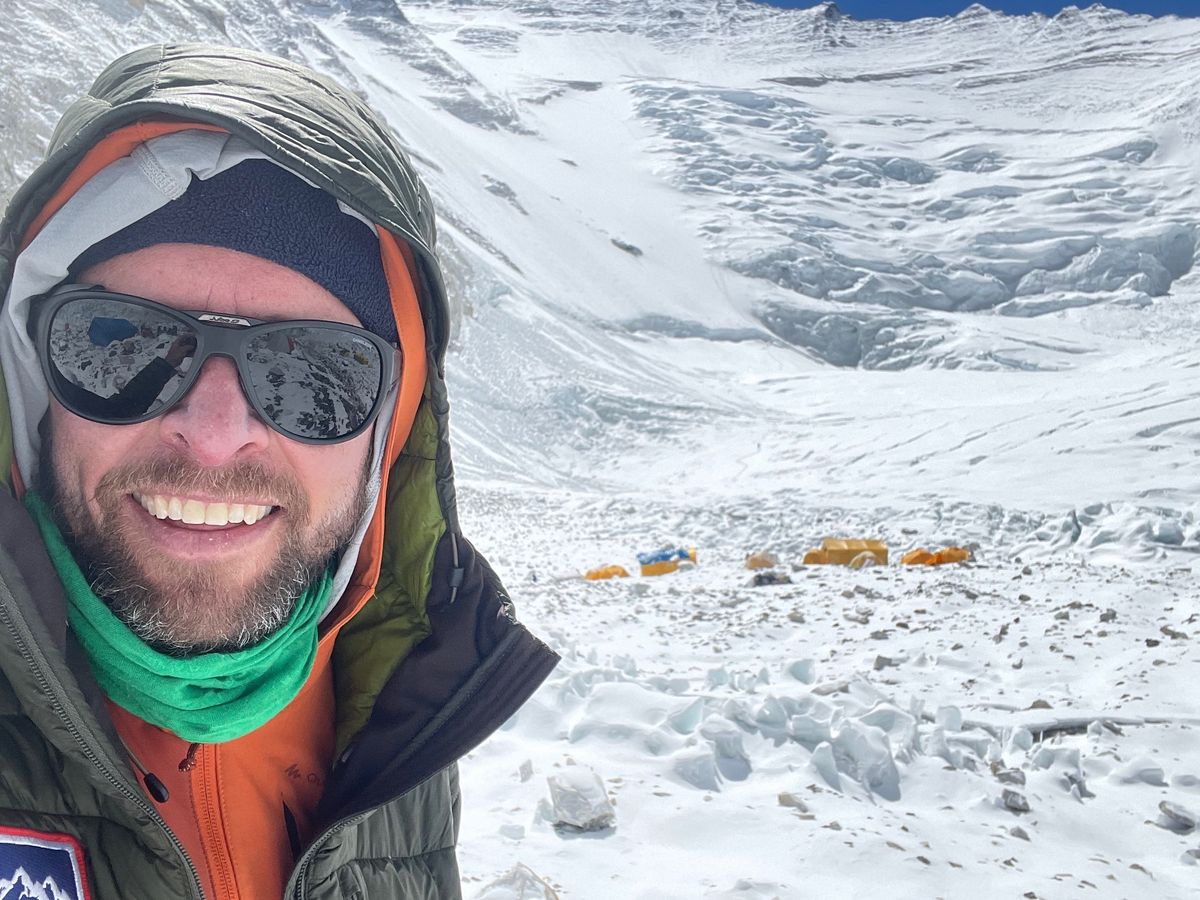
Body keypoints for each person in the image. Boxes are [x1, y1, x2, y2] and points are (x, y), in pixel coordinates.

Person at [0, 43, 558, 900]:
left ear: (388, 432)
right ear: (34, 386)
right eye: (122, 345)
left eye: (314, 375)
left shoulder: (396, 733)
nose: (214, 436)